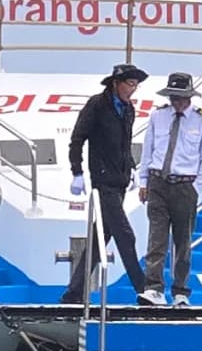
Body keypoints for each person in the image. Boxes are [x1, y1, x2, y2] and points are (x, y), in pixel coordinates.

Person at [62, 61, 148, 301]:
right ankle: (143, 289)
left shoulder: (129, 109)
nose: (133, 89)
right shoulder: (97, 105)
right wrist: (77, 171)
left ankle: (73, 293)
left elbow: (125, 143)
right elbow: (77, 138)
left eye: (136, 85)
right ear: (116, 83)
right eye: (130, 84)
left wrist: (132, 167)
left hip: (120, 180)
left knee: (100, 239)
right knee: (125, 235)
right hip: (103, 181)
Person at [139, 70, 202, 304]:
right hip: (158, 182)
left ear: (189, 97)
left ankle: (180, 291)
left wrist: (196, 187)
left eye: (181, 97)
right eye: (173, 96)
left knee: (183, 242)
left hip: (185, 186)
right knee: (156, 238)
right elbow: (148, 150)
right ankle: (154, 288)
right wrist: (144, 181)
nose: (177, 101)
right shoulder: (158, 116)